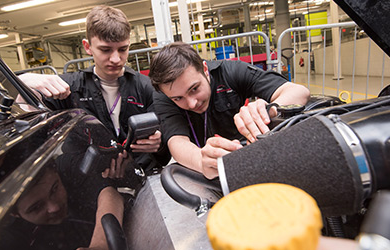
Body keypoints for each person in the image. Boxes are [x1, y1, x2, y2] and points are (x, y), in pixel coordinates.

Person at [17, 5, 170, 176]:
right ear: (87, 47)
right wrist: (24, 81)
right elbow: (20, 110)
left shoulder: (146, 87)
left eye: (123, 49)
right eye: (105, 50)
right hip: (90, 178)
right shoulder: (69, 88)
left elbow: (168, 139)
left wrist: (160, 144)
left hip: (143, 173)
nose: (116, 59)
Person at [149, 42, 310, 179]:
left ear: (205, 70)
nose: (191, 103)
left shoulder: (230, 72)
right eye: (178, 99)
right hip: (209, 173)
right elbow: (177, 142)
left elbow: (299, 92)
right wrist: (202, 162)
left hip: (252, 158)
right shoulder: (164, 96)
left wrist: (268, 111)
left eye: (194, 89)